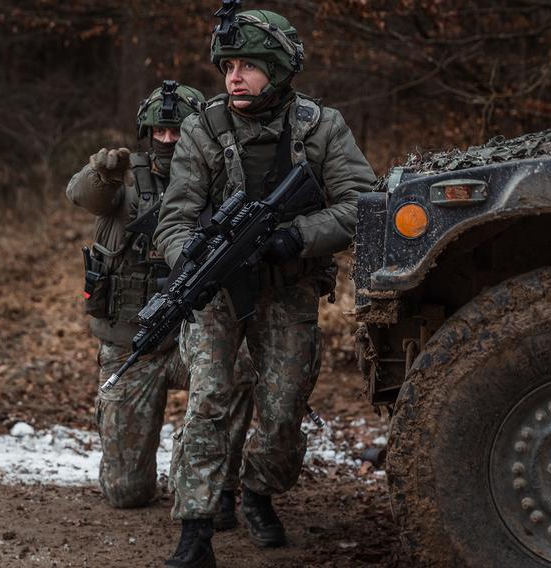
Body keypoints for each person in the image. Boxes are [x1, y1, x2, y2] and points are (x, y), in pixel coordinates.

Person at [154, 9, 377, 568]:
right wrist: (196, 260)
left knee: (283, 410)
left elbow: (363, 204)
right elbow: (174, 219)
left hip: (287, 289)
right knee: (207, 402)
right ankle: (196, 528)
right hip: (217, 291)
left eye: (248, 65)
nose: (234, 77)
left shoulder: (321, 127)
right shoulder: (203, 129)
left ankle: (255, 491)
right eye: (228, 65)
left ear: (278, 70)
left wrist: (297, 235)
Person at [66, 81, 254, 530]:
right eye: (159, 132)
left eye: (177, 131)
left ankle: (218, 482)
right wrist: (103, 171)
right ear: (145, 132)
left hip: (196, 338)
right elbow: (82, 195)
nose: (167, 140)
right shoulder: (124, 182)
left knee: (243, 370)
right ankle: (147, 465)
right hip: (132, 349)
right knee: (126, 493)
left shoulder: (215, 180)